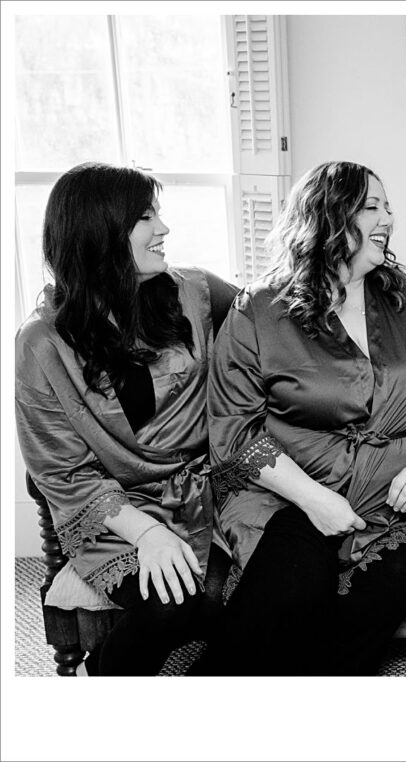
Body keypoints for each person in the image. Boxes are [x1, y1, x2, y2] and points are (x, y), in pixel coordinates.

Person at [196, 161, 406, 676]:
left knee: (374, 607)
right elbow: (234, 431)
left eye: (388, 206)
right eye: (371, 207)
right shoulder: (259, 309)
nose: (388, 218)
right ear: (327, 218)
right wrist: (316, 500)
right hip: (287, 492)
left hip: (391, 507)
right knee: (296, 584)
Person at [14, 162, 237, 675]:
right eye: (145, 217)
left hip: (208, 492)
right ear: (100, 234)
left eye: (158, 213)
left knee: (222, 597)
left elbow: (272, 319)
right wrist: (146, 533)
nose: (163, 228)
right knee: (173, 601)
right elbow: (60, 471)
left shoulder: (195, 291)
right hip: (112, 511)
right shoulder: (41, 343)